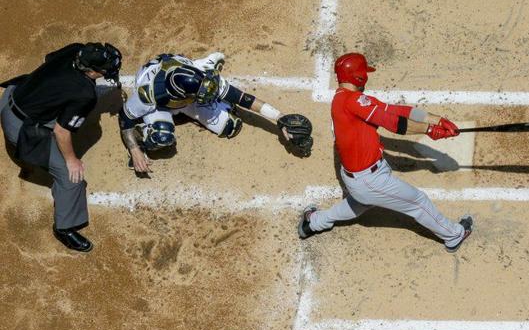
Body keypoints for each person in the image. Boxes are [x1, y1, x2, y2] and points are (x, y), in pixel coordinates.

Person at [298, 52, 473, 252]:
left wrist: (437, 120)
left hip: (361, 179)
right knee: (418, 202)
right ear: (358, 76)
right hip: (368, 181)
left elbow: (395, 110)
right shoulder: (353, 102)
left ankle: (313, 222)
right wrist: (429, 130)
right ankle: (454, 235)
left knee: (359, 204)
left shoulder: (344, 98)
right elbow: (394, 123)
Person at [0, 42, 122, 252]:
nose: (109, 70)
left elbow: (49, 58)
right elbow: (61, 131)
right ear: (92, 71)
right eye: (104, 69)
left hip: (13, 93)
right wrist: (71, 160)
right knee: (70, 177)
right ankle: (65, 229)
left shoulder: (76, 49)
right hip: (20, 128)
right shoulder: (85, 94)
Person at [118, 52, 313, 173]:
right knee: (161, 137)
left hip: (185, 91)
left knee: (230, 126)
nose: (210, 92)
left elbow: (244, 98)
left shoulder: (204, 80)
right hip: (164, 104)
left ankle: (203, 70)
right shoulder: (148, 95)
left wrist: (279, 117)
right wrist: (134, 150)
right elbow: (125, 118)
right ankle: (145, 133)